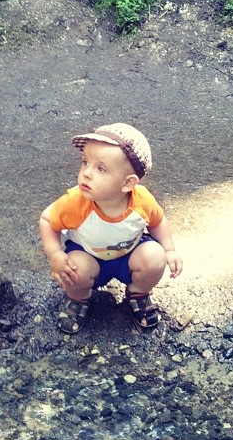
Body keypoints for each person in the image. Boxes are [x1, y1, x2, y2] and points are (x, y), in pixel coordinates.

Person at [39, 122, 183, 333]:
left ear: (127, 184)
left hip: (129, 255)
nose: (87, 173)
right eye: (85, 162)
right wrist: (55, 254)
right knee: (73, 269)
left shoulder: (142, 201)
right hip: (88, 256)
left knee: (155, 256)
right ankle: (78, 298)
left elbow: (158, 221)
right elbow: (47, 219)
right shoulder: (76, 202)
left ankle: (138, 293)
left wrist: (169, 250)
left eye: (101, 168)